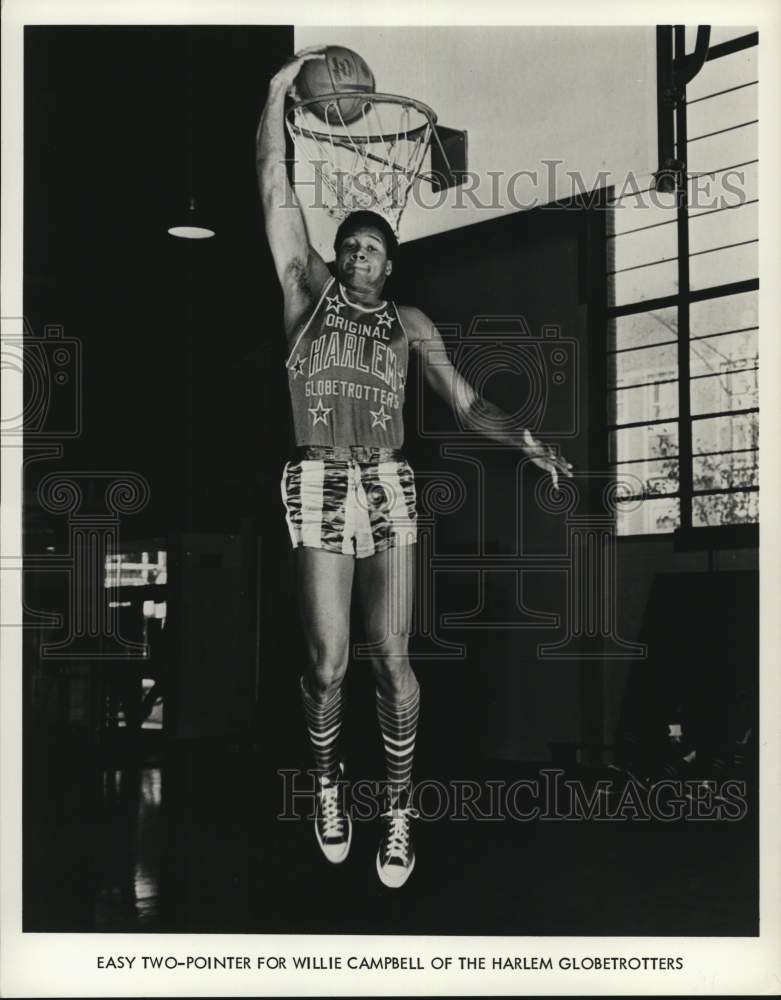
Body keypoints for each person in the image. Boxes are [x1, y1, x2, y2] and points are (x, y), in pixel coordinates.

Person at [256, 48, 572, 889]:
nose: (360, 259)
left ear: (390, 265)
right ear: (337, 253)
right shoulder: (302, 294)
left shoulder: (409, 322)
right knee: (327, 663)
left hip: (388, 485)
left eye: (372, 252)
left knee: (392, 658)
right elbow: (272, 184)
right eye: (350, 247)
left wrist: (531, 442)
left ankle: (397, 811)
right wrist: (276, 92)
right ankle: (327, 787)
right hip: (319, 478)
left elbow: (468, 405)